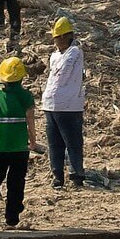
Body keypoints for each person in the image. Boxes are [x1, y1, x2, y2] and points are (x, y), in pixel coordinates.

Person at [0, 56, 38, 230]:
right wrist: (33, 140)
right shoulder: (25, 96)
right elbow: (30, 120)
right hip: (19, 147)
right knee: (16, 185)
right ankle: (12, 220)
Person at [42, 17, 86, 190]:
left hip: (69, 105)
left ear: (68, 37)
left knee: (72, 142)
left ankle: (76, 174)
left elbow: (63, 74)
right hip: (51, 104)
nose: (57, 41)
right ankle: (57, 175)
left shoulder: (74, 52)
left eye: (60, 37)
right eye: (56, 38)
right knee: (55, 143)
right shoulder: (55, 56)